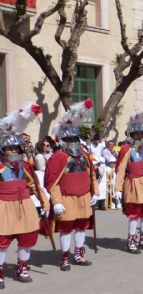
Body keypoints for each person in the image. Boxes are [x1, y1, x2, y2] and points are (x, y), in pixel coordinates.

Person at [44, 99, 99, 270]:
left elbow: (91, 175)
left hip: (84, 196)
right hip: (66, 198)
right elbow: (51, 182)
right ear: (63, 139)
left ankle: (79, 254)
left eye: (75, 137)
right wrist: (57, 201)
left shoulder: (84, 154)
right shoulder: (58, 157)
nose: (73, 140)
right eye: (69, 137)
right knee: (66, 228)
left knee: (82, 226)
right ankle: (65, 256)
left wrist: (95, 192)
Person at [0, 102, 48, 288]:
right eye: (11, 149)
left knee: (27, 237)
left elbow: (35, 185)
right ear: (3, 150)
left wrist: (45, 203)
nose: (15, 152)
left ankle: (22, 267)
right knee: (2, 240)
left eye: (17, 149)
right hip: (4, 206)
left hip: (25, 206)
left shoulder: (25, 166)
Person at [114, 104, 143, 254]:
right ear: (132, 135)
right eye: (137, 134)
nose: (140, 136)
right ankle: (131, 242)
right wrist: (117, 188)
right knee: (134, 214)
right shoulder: (126, 149)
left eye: (142, 134)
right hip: (133, 184)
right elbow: (120, 169)